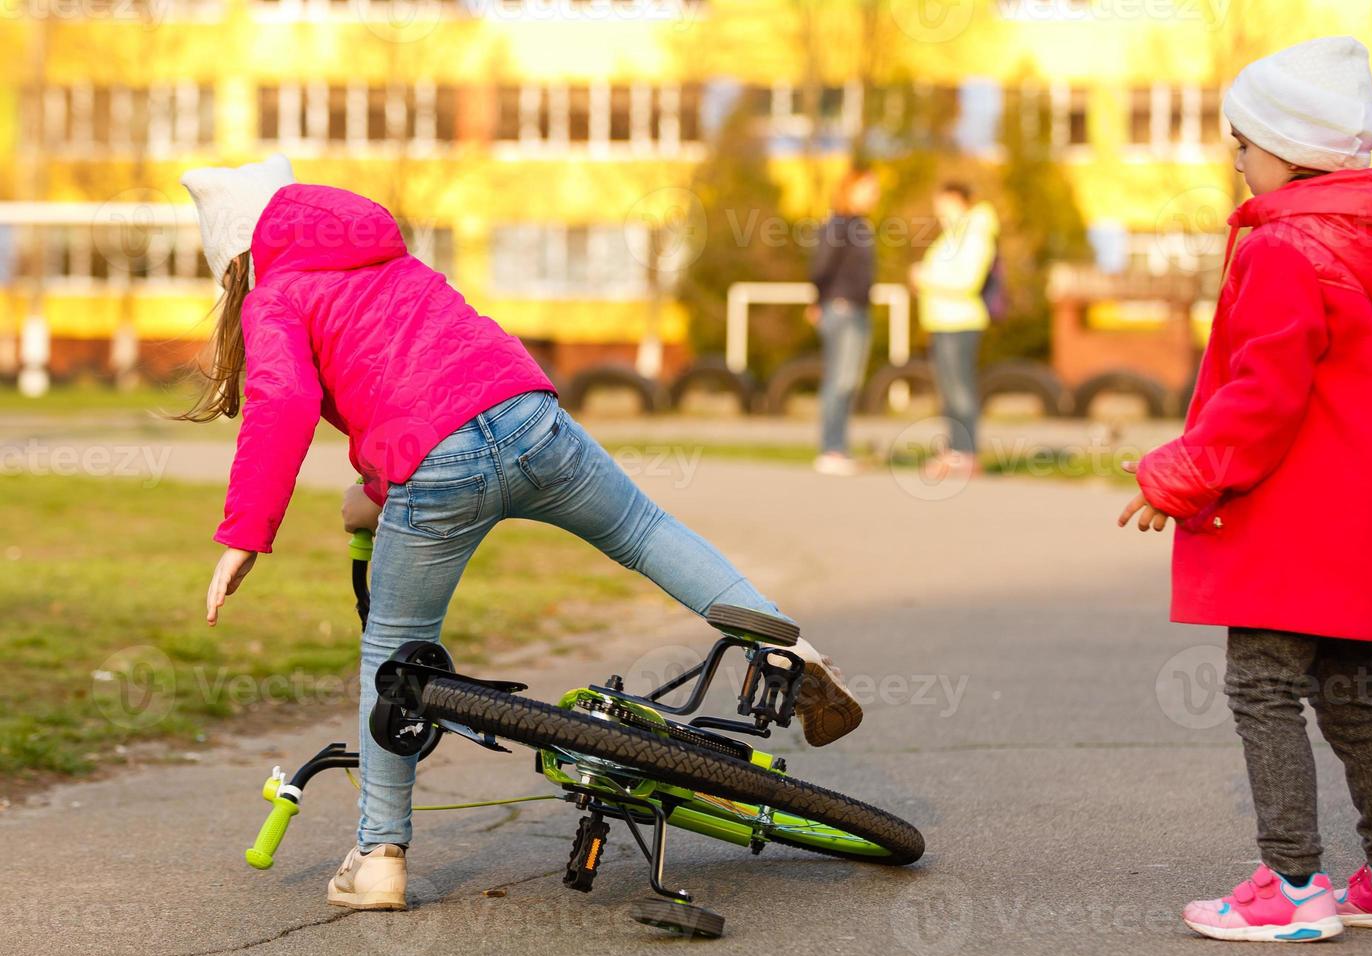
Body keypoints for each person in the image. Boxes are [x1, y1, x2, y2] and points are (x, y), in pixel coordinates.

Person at [176, 156, 863, 911]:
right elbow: (425, 375)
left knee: (394, 653)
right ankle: (788, 649)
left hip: (437, 468)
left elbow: (283, 402)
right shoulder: (384, 256)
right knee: (642, 529)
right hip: (529, 414)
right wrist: (377, 491)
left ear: (234, 256)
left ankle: (378, 856)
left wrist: (246, 535)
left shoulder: (274, 294)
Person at [1118, 36, 1372, 942]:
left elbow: (1263, 395)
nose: (1234, 158)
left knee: (1263, 684)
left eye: (1242, 142)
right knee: (1353, 694)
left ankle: (1293, 885)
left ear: (1285, 150)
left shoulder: (1283, 248)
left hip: (1297, 522)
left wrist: (1183, 474)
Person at [910, 181, 997, 481]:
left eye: (943, 203)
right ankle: (954, 450)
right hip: (942, 321)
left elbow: (966, 281)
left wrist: (926, 277)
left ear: (960, 201)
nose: (939, 210)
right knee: (949, 392)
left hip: (961, 321)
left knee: (961, 392)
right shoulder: (954, 235)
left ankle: (966, 453)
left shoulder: (975, 234)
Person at [808, 166, 880, 476]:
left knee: (849, 382)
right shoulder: (838, 224)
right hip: (840, 309)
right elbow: (821, 265)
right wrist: (818, 299)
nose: (873, 195)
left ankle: (839, 447)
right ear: (850, 189)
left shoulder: (861, 226)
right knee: (839, 380)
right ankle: (830, 449)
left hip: (859, 310)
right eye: (868, 188)